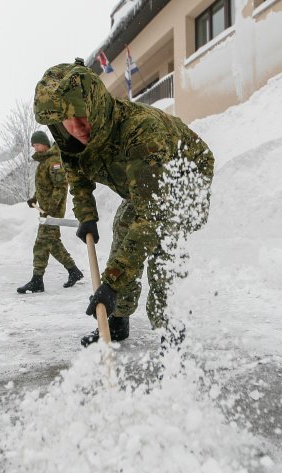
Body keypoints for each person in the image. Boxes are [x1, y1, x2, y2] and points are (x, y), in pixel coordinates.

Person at [33, 58, 214, 347]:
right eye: (69, 120)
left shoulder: (141, 132)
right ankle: (117, 322)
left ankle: (171, 328)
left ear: (95, 107)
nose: (78, 128)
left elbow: (150, 217)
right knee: (123, 224)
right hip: (147, 182)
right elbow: (78, 179)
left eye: (83, 117)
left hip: (186, 174)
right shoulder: (70, 140)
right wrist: (86, 215)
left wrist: (112, 283)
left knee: (162, 243)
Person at [17, 131, 84, 294]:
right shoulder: (44, 161)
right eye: (33, 145)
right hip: (46, 211)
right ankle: (73, 270)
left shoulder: (54, 160)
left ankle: (37, 280)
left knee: (41, 243)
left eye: (37, 144)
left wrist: (51, 208)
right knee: (52, 243)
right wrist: (34, 198)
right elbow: (44, 186)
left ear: (45, 143)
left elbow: (60, 187)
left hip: (52, 212)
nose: (35, 148)